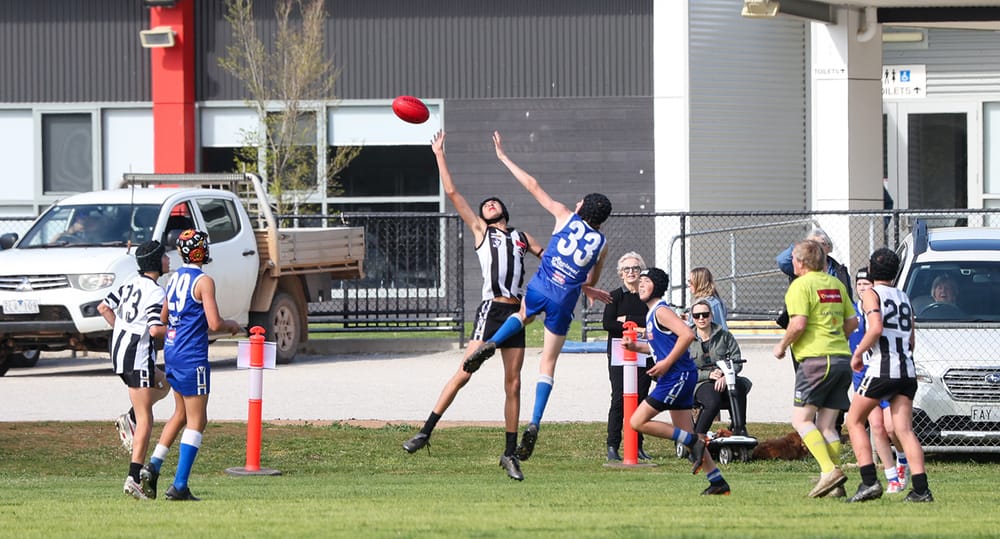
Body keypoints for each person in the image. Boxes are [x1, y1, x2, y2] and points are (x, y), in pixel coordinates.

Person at [462, 131, 612, 462]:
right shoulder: (601, 244)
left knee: (520, 316)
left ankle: (490, 344)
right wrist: (588, 289)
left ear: (582, 207)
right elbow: (589, 277)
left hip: (541, 286)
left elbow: (532, 186)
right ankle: (535, 422)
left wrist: (504, 158)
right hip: (564, 298)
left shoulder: (564, 214)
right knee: (548, 362)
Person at [402, 131, 543, 482]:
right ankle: (425, 431)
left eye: (495, 203)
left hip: (517, 314)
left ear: (505, 211)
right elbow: (452, 193)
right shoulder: (482, 232)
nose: (490, 204)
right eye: (486, 204)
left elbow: (554, 260)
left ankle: (509, 454)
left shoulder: (520, 237)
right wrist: (439, 154)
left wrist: (585, 283)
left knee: (513, 384)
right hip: (491, 311)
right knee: (465, 371)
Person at [623, 268, 731, 495]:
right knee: (686, 432)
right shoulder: (652, 314)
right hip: (677, 375)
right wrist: (638, 348)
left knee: (637, 421)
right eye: (639, 282)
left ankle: (693, 440)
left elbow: (687, 335)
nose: (641, 285)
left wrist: (665, 363)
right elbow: (663, 346)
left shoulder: (661, 311)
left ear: (657, 285)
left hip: (676, 376)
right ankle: (717, 481)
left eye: (645, 281)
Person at [159, 229, 242, 501]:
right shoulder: (204, 281)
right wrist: (232, 326)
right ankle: (180, 484)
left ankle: (154, 465)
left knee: (180, 413)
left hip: (171, 351)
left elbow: (164, 317)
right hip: (192, 355)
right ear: (201, 251)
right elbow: (214, 323)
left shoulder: (173, 279)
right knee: (198, 419)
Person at [845, 248, 933, 503]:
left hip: (883, 368)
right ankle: (921, 489)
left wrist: (858, 353)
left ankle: (869, 482)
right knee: (904, 430)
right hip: (907, 369)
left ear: (871, 271)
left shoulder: (871, 295)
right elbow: (911, 340)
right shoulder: (904, 297)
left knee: (854, 420)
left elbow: (875, 328)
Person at [772, 239, 857, 498]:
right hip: (841, 358)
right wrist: (834, 338)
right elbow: (852, 322)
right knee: (828, 426)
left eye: (794, 260)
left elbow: (798, 324)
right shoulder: (836, 284)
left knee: (801, 419)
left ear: (800, 263)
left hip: (815, 361)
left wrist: (782, 346)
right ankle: (834, 484)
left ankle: (828, 470)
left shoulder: (800, 286)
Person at [98, 240, 172, 500]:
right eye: (165, 256)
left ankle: (129, 417)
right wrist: (180, 330)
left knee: (164, 384)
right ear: (155, 262)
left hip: (119, 354)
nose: (168, 259)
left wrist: (122, 329)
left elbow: (103, 307)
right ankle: (133, 478)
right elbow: (154, 329)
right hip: (137, 357)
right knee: (146, 419)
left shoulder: (129, 282)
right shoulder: (156, 292)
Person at [847, 267, 908, 494]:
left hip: (884, 370)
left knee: (893, 428)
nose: (863, 288)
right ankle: (891, 476)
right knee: (877, 426)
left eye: (867, 284)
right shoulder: (853, 311)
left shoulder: (880, 308)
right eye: (860, 285)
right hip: (863, 373)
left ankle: (902, 460)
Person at [601, 252, 652, 461]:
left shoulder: (647, 296)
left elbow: (651, 321)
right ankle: (613, 445)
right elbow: (608, 324)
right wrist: (635, 326)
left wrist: (629, 320)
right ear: (621, 273)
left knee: (640, 398)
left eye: (635, 269)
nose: (631, 272)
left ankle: (638, 445)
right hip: (619, 353)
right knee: (619, 399)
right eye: (627, 269)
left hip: (642, 351)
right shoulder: (614, 296)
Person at [688, 299, 750, 437]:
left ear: (711, 315)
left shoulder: (725, 336)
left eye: (705, 314)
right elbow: (684, 370)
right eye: (697, 316)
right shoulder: (686, 339)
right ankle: (697, 436)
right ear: (692, 318)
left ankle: (739, 428)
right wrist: (708, 375)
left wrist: (725, 374)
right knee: (713, 400)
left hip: (726, 379)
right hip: (699, 382)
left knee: (738, 387)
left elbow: (737, 361)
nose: (701, 318)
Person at [776, 227, 852, 301]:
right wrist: (801, 246)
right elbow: (782, 261)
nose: (815, 247)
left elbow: (849, 300)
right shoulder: (802, 268)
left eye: (820, 244)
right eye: (811, 245)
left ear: (828, 247)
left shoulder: (840, 271)